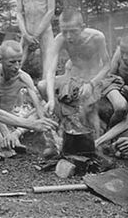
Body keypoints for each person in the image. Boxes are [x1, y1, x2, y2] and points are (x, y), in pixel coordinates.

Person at [39, 9, 110, 155]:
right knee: (42, 86)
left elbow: (107, 66)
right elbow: (51, 71)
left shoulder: (97, 37)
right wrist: (51, 99)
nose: (68, 36)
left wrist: (91, 84)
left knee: (88, 107)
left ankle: (96, 141)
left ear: (83, 27)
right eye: (64, 31)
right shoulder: (60, 39)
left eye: (73, 31)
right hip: (72, 77)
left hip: (93, 79)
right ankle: (65, 122)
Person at [0, 40, 46, 156]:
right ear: (0, 59)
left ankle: (16, 134)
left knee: (43, 106)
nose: (16, 67)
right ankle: (4, 139)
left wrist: (45, 125)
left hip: (11, 119)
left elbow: (37, 105)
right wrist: (5, 132)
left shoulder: (23, 77)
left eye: (19, 62)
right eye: (11, 62)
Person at [15, 0, 55, 79]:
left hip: (44, 32)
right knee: (15, 65)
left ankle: (47, 96)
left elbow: (51, 10)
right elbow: (19, 13)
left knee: (48, 69)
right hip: (27, 32)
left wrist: (37, 34)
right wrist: (26, 34)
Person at [100, 32, 128, 127]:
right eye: (122, 52)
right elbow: (109, 79)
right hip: (120, 101)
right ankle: (109, 132)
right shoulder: (118, 55)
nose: (124, 57)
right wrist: (121, 87)